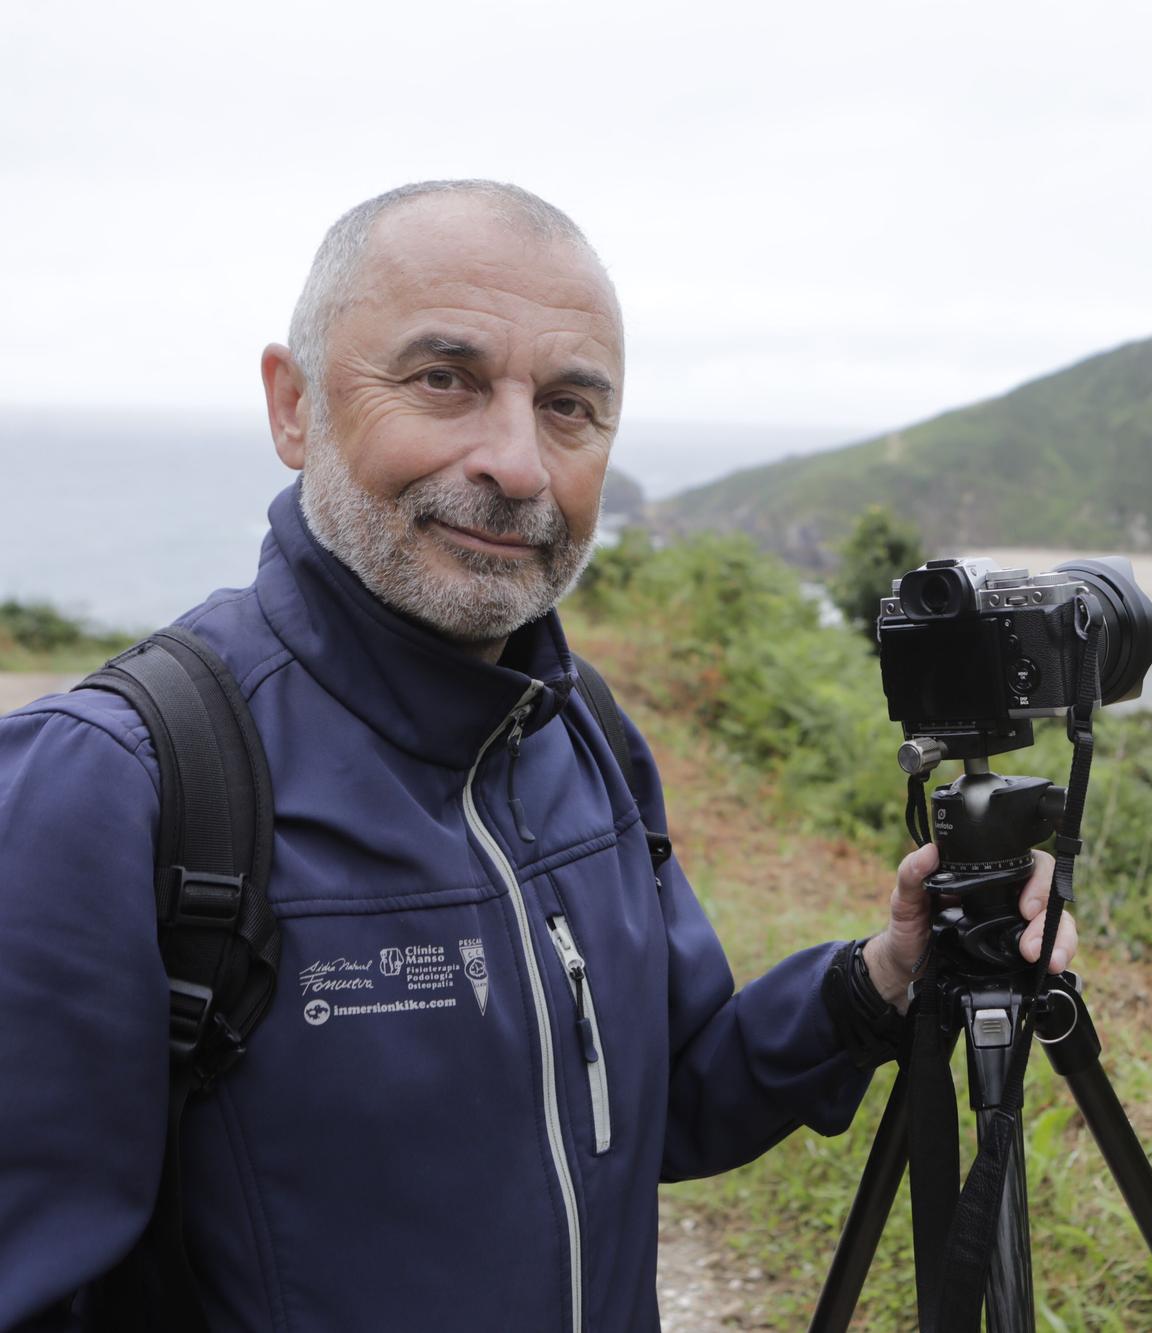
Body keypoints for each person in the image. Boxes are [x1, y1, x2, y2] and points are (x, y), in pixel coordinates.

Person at [0, 180, 1077, 1332]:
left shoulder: (580, 731)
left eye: (569, 406)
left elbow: (666, 1100)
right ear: (294, 404)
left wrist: (879, 981)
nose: (515, 464)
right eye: (444, 379)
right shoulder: (112, 785)